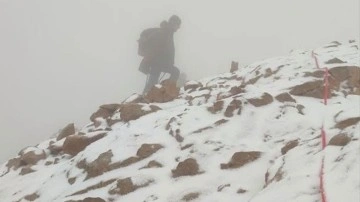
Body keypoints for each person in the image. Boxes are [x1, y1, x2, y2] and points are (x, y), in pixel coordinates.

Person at [139, 15, 181, 94]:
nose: (179, 28)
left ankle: (146, 97)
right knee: (175, 72)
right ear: (173, 23)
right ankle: (168, 92)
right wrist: (147, 62)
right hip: (157, 63)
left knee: (152, 83)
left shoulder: (167, 32)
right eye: (178, 25)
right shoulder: (164, 32)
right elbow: (155, 48)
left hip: (159, 63)